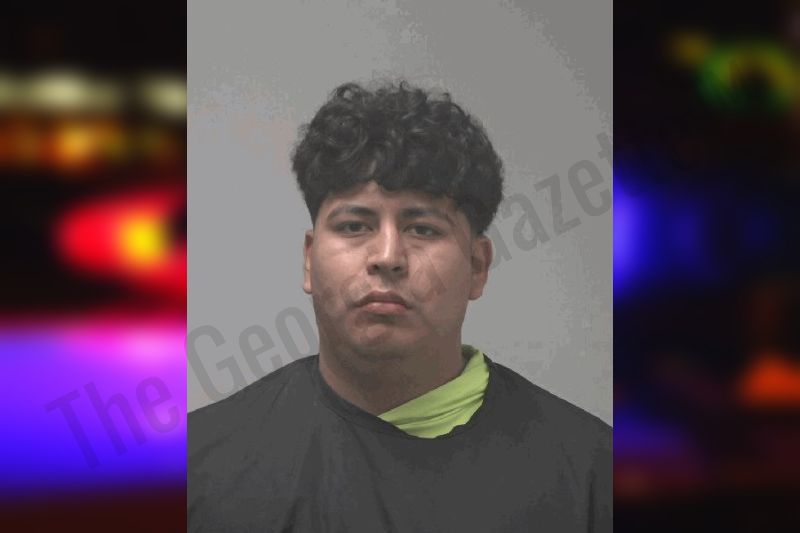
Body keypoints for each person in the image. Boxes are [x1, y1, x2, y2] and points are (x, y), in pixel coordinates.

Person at [188, 80, 612, 532]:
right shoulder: (196, 469)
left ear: (477, 266)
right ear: (309, 260)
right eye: (354, 226)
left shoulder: (594, 476)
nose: (387, 256)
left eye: (423, 229)